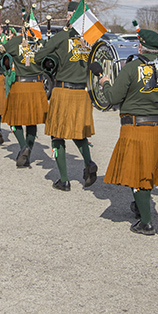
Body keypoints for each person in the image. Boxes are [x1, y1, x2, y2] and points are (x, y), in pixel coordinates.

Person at [100, 29, 158, 235]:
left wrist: (105, 83)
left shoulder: (132, 67)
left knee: (138, 173)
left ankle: (146, 221)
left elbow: (113, 97)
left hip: (136, 126)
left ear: (141, 46)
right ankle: (139, 206)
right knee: (148, 171)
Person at [34, 25, 97, 191]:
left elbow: (38, 56)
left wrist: (52, 53)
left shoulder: (63, 36)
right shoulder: (92, 37)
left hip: (63, 90)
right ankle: (89, 163)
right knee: (78, 132)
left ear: (71, 17)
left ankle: (64, 180)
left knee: (57, 135)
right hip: (83, 91)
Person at [0, 30, 48, 167]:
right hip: (37, 85)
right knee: (32, 121)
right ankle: (27, 155)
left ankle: (23, 147)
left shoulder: (14, 42)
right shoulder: (41, 43)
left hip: (20, 85)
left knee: (13, 119)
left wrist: (2, 50)